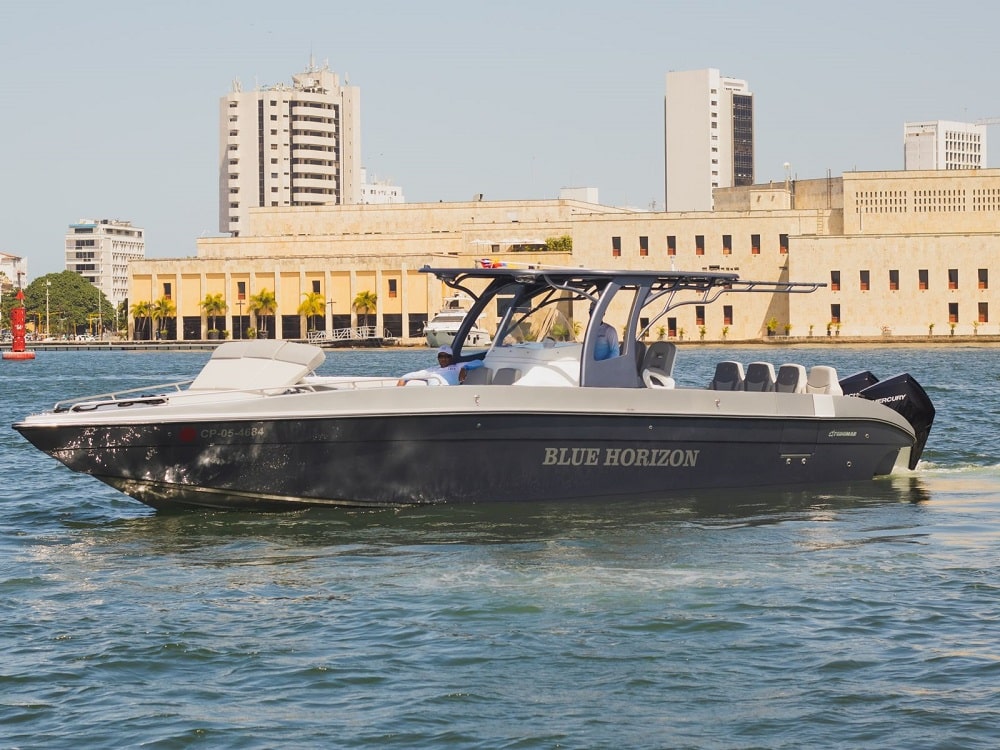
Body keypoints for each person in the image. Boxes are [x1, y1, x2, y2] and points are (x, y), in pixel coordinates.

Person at [397, 345, 483, 386]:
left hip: (448, 395)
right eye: (441, 356)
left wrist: (464, 368)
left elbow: (479, 362)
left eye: (447, 356)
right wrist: (401, 383)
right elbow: (406, 377)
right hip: (432, 396)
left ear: (451, 358)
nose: (443, 359)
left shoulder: (457, 367)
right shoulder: (431, 370)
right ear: (438, 358)